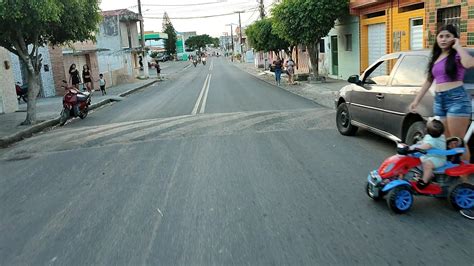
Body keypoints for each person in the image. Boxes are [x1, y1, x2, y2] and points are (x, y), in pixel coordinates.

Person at [409, 24, 474, 183]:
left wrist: (458, 46)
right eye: (441, 36)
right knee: (445, 141)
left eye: (448, 36)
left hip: (456, 100)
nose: (444, 39)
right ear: (436, 39)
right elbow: (428, 81)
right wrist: (416, 101)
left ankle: (464, 182)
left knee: (458, 141)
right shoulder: (436, 58)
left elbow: (469, 63)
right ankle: (448, 178)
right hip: (440, 100)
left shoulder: (457, 55)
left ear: (454, 38)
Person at [414, 119, 446, 190]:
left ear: (427, 130)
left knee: (427, 164)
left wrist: (415, 147)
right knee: (417, 160)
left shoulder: (433, 141)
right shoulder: (434, 136)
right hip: (430, 156)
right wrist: (420, 142)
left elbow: (426, 146)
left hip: (438, 158)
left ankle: (424, 182)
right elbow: (425, 141)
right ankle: (428, 174)